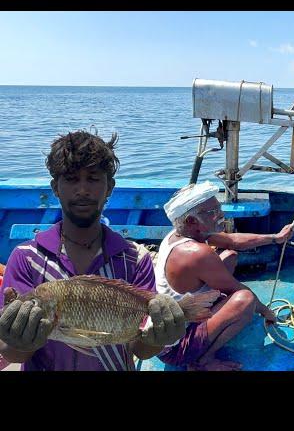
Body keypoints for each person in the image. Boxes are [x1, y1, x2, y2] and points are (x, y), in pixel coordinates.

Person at [0, 130, 185, 371]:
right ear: (56, 187)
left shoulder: (135, 259)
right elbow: (12, 352)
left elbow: (140, 348)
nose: (83, 190)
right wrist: (16, 339)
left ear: (110, 187)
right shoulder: (26, 258)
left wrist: (159, 338)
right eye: (71, 179)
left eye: (94, 178)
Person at [155, 181, 294, 371]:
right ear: (190, 221)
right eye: (211, 212)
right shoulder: (196, 253)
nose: (220, 214)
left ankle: (210, 329)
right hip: (177, 349)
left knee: (229, 256)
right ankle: (202, 361)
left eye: (218, 207)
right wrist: (266, 311)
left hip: (183, 316)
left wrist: (275, 238)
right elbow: (241, 292)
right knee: (245, 300)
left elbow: (232, 241)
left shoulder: (181, 234)